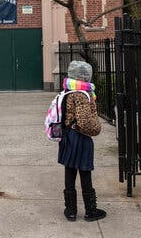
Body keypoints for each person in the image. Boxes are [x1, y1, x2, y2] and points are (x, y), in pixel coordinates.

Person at [58, 60, 106, 222]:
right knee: (85, 172)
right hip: (81, 137)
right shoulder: (81, 94)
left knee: (70, 171)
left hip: (68, 136)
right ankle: (90, 210)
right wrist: (97, 128)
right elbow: (85, 122)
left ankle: (70, 210)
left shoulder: (67, 91)